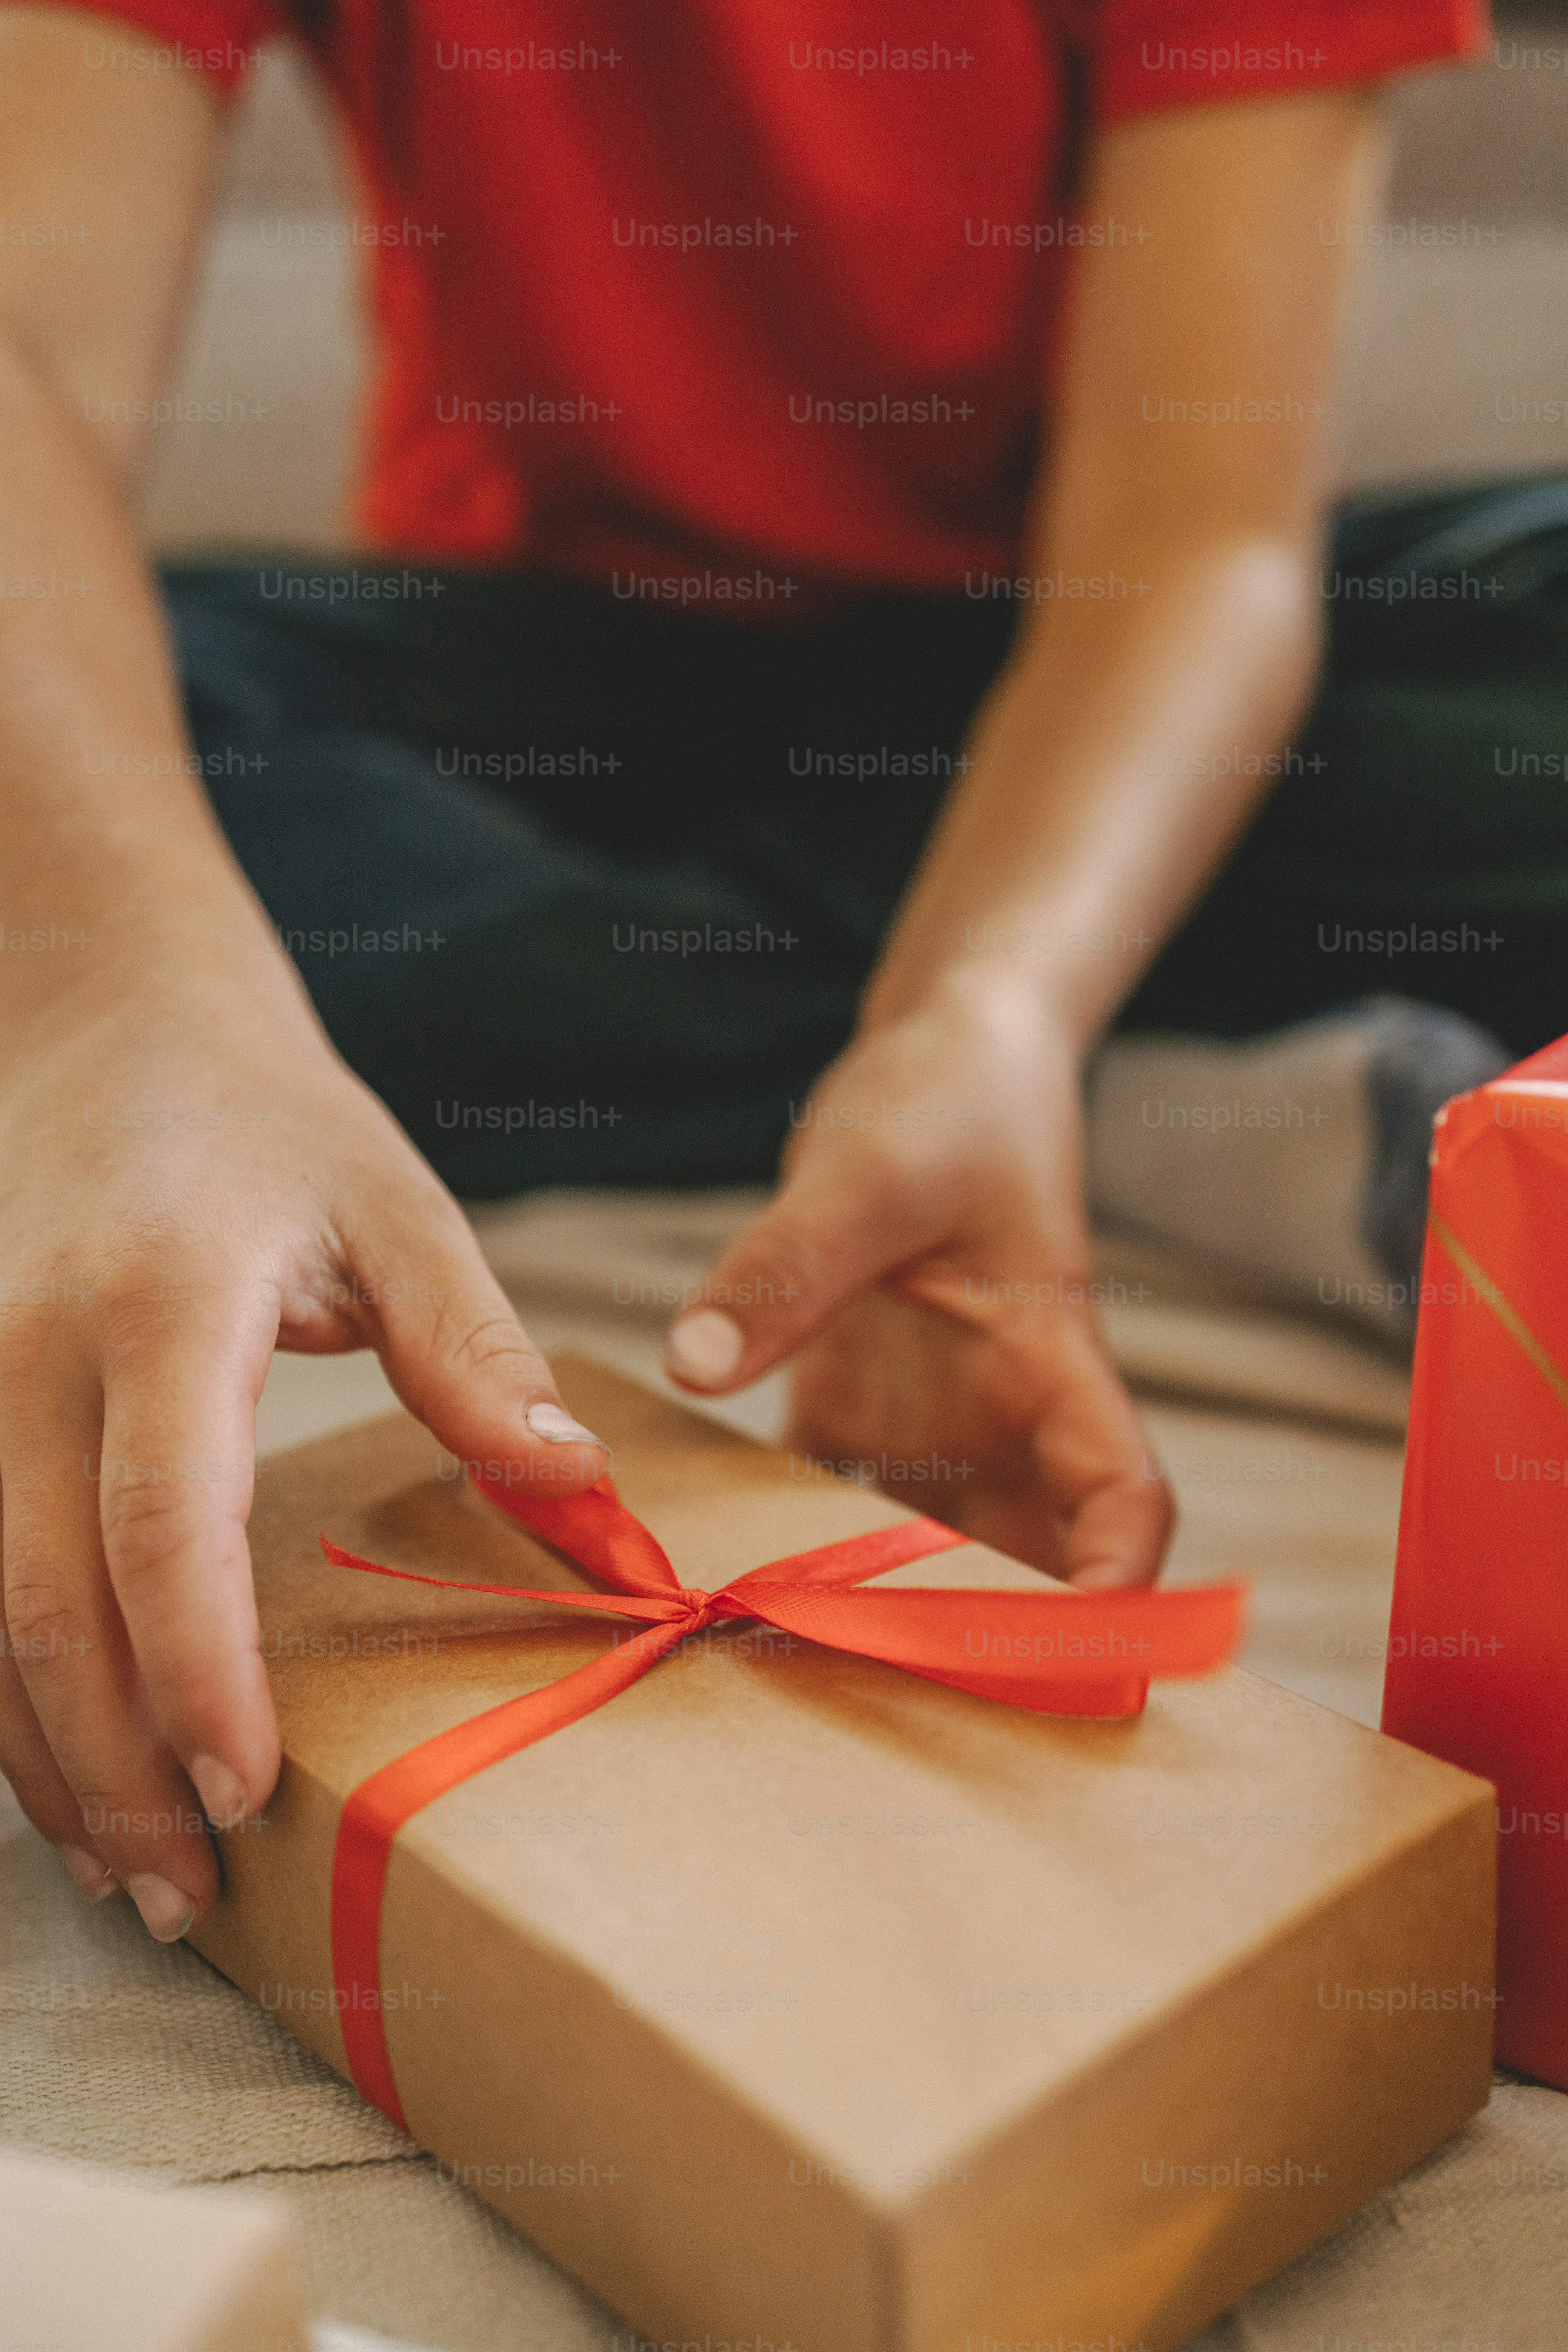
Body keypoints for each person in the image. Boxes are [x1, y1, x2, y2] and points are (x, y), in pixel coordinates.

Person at [0, 0, 1527, 1947]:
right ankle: (1138, 1059)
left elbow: (1198, 549)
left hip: (1067, 687)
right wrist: (138, 999)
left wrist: (989, 1001)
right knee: (100, 748)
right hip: (545, 697)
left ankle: (1008, 1045)